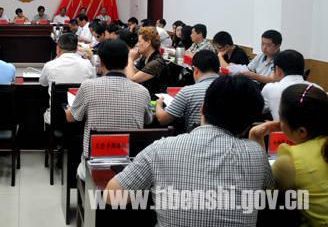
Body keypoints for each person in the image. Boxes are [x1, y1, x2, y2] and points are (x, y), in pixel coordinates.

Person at [106, 75, 271, 227]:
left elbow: (111, 197)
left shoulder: (161, 148)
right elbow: (269, 191)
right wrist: (256, 138)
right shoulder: (256, 154)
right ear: (248, 123)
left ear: (202, 108)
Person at [66, 39, 151, 180]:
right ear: (127, 62)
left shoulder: (88, 87)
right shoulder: (142, 91)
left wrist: (70, 107)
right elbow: (148, 120)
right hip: (130, 169)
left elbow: (71, 118)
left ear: (101, 62)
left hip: (95, 166)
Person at [249, 84, 328, 227]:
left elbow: (263, 191)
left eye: (281, 117)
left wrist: (255, 138)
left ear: (302, 131)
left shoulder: (291, 160)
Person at [156, 50, 219, 131]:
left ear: (195, 70)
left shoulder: (188, 91)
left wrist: (159, 104)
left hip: (195, 137)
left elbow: (163, 119)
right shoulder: (232, 88)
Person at [40, 33, 96, 124]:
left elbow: (43, 83)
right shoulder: (87, 64)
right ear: (76, 49)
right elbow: (93, 83)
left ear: (58, 49)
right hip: (81, 118)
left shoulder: (50, 65)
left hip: (56, 118)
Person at [260, 49, 316, 120]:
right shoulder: (317, 89)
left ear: (278, 70)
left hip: (281, 127)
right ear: (303, 70)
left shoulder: (269, 88)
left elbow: (259, 110)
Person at [125, 27, 166, 97]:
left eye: (139, 41)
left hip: (155, 99)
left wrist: (130, 59)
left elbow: (132, 80)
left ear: (148, 43)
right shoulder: (145, 57)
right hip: (145, 95)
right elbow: (132, 72)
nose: (137, 44)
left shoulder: (157, 62)